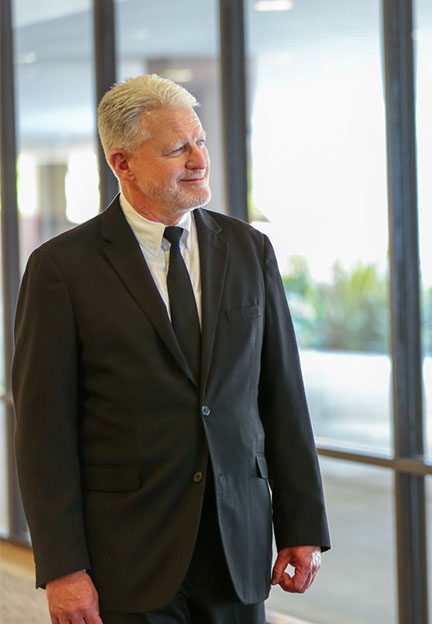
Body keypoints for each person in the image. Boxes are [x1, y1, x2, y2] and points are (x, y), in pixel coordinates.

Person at [13, 74, 330, 624]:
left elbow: (283, 394)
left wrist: (302, 526)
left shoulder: (250, 249)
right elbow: (44, 434)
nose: (198, 159)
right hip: (127, 555)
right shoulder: (61, 269)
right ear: (123, 163)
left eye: (200, 141)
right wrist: (63, 568)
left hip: (237, 543)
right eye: (176, 148)